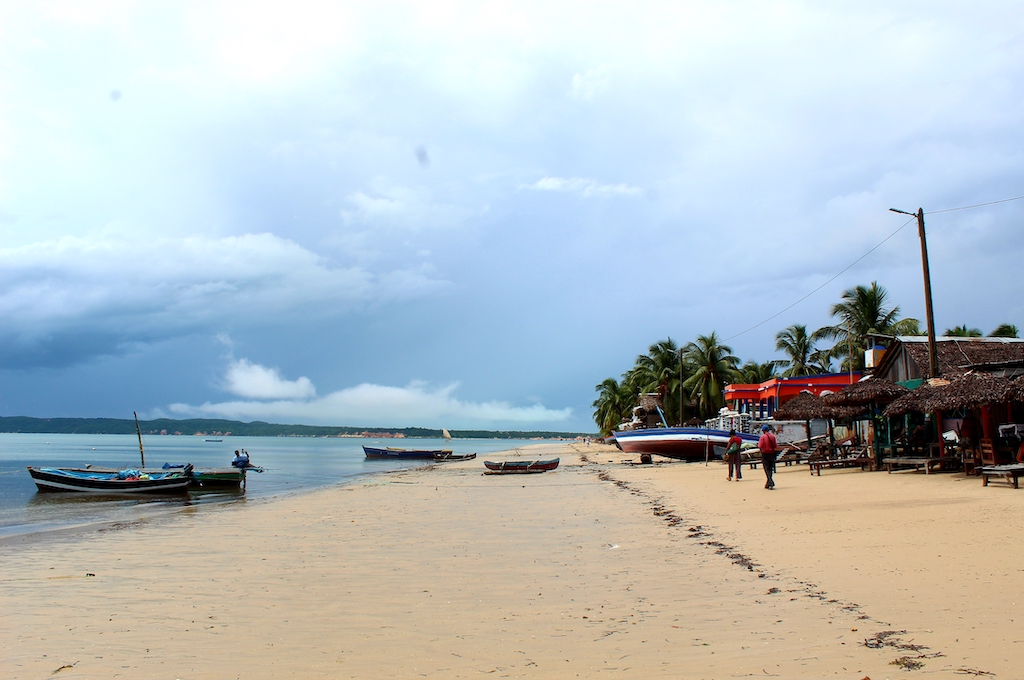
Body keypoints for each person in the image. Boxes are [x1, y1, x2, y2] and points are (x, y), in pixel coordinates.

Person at [758, 424, 778, 490]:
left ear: (763, 430)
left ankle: (770, 482)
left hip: (765, 454)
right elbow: (775, 446)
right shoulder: (773, 437)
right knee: (770, 468)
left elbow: (760, 446)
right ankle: (768, 483)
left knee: (766, 469)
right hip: (772, 454)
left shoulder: (763, 437)